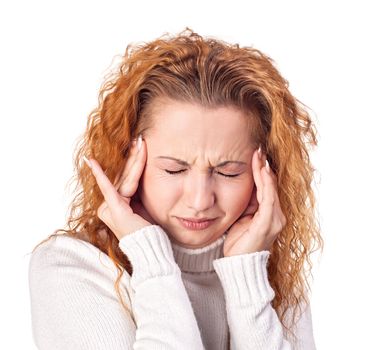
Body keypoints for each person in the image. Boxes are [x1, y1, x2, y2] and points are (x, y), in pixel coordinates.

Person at [28, 27, 323, 349]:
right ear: (127, 160)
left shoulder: (267, 272)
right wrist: (149, 258)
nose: (199, 200)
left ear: (264, 175)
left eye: (228, 172)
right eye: (174, 169)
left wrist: (245, 276)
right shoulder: (72, 265)